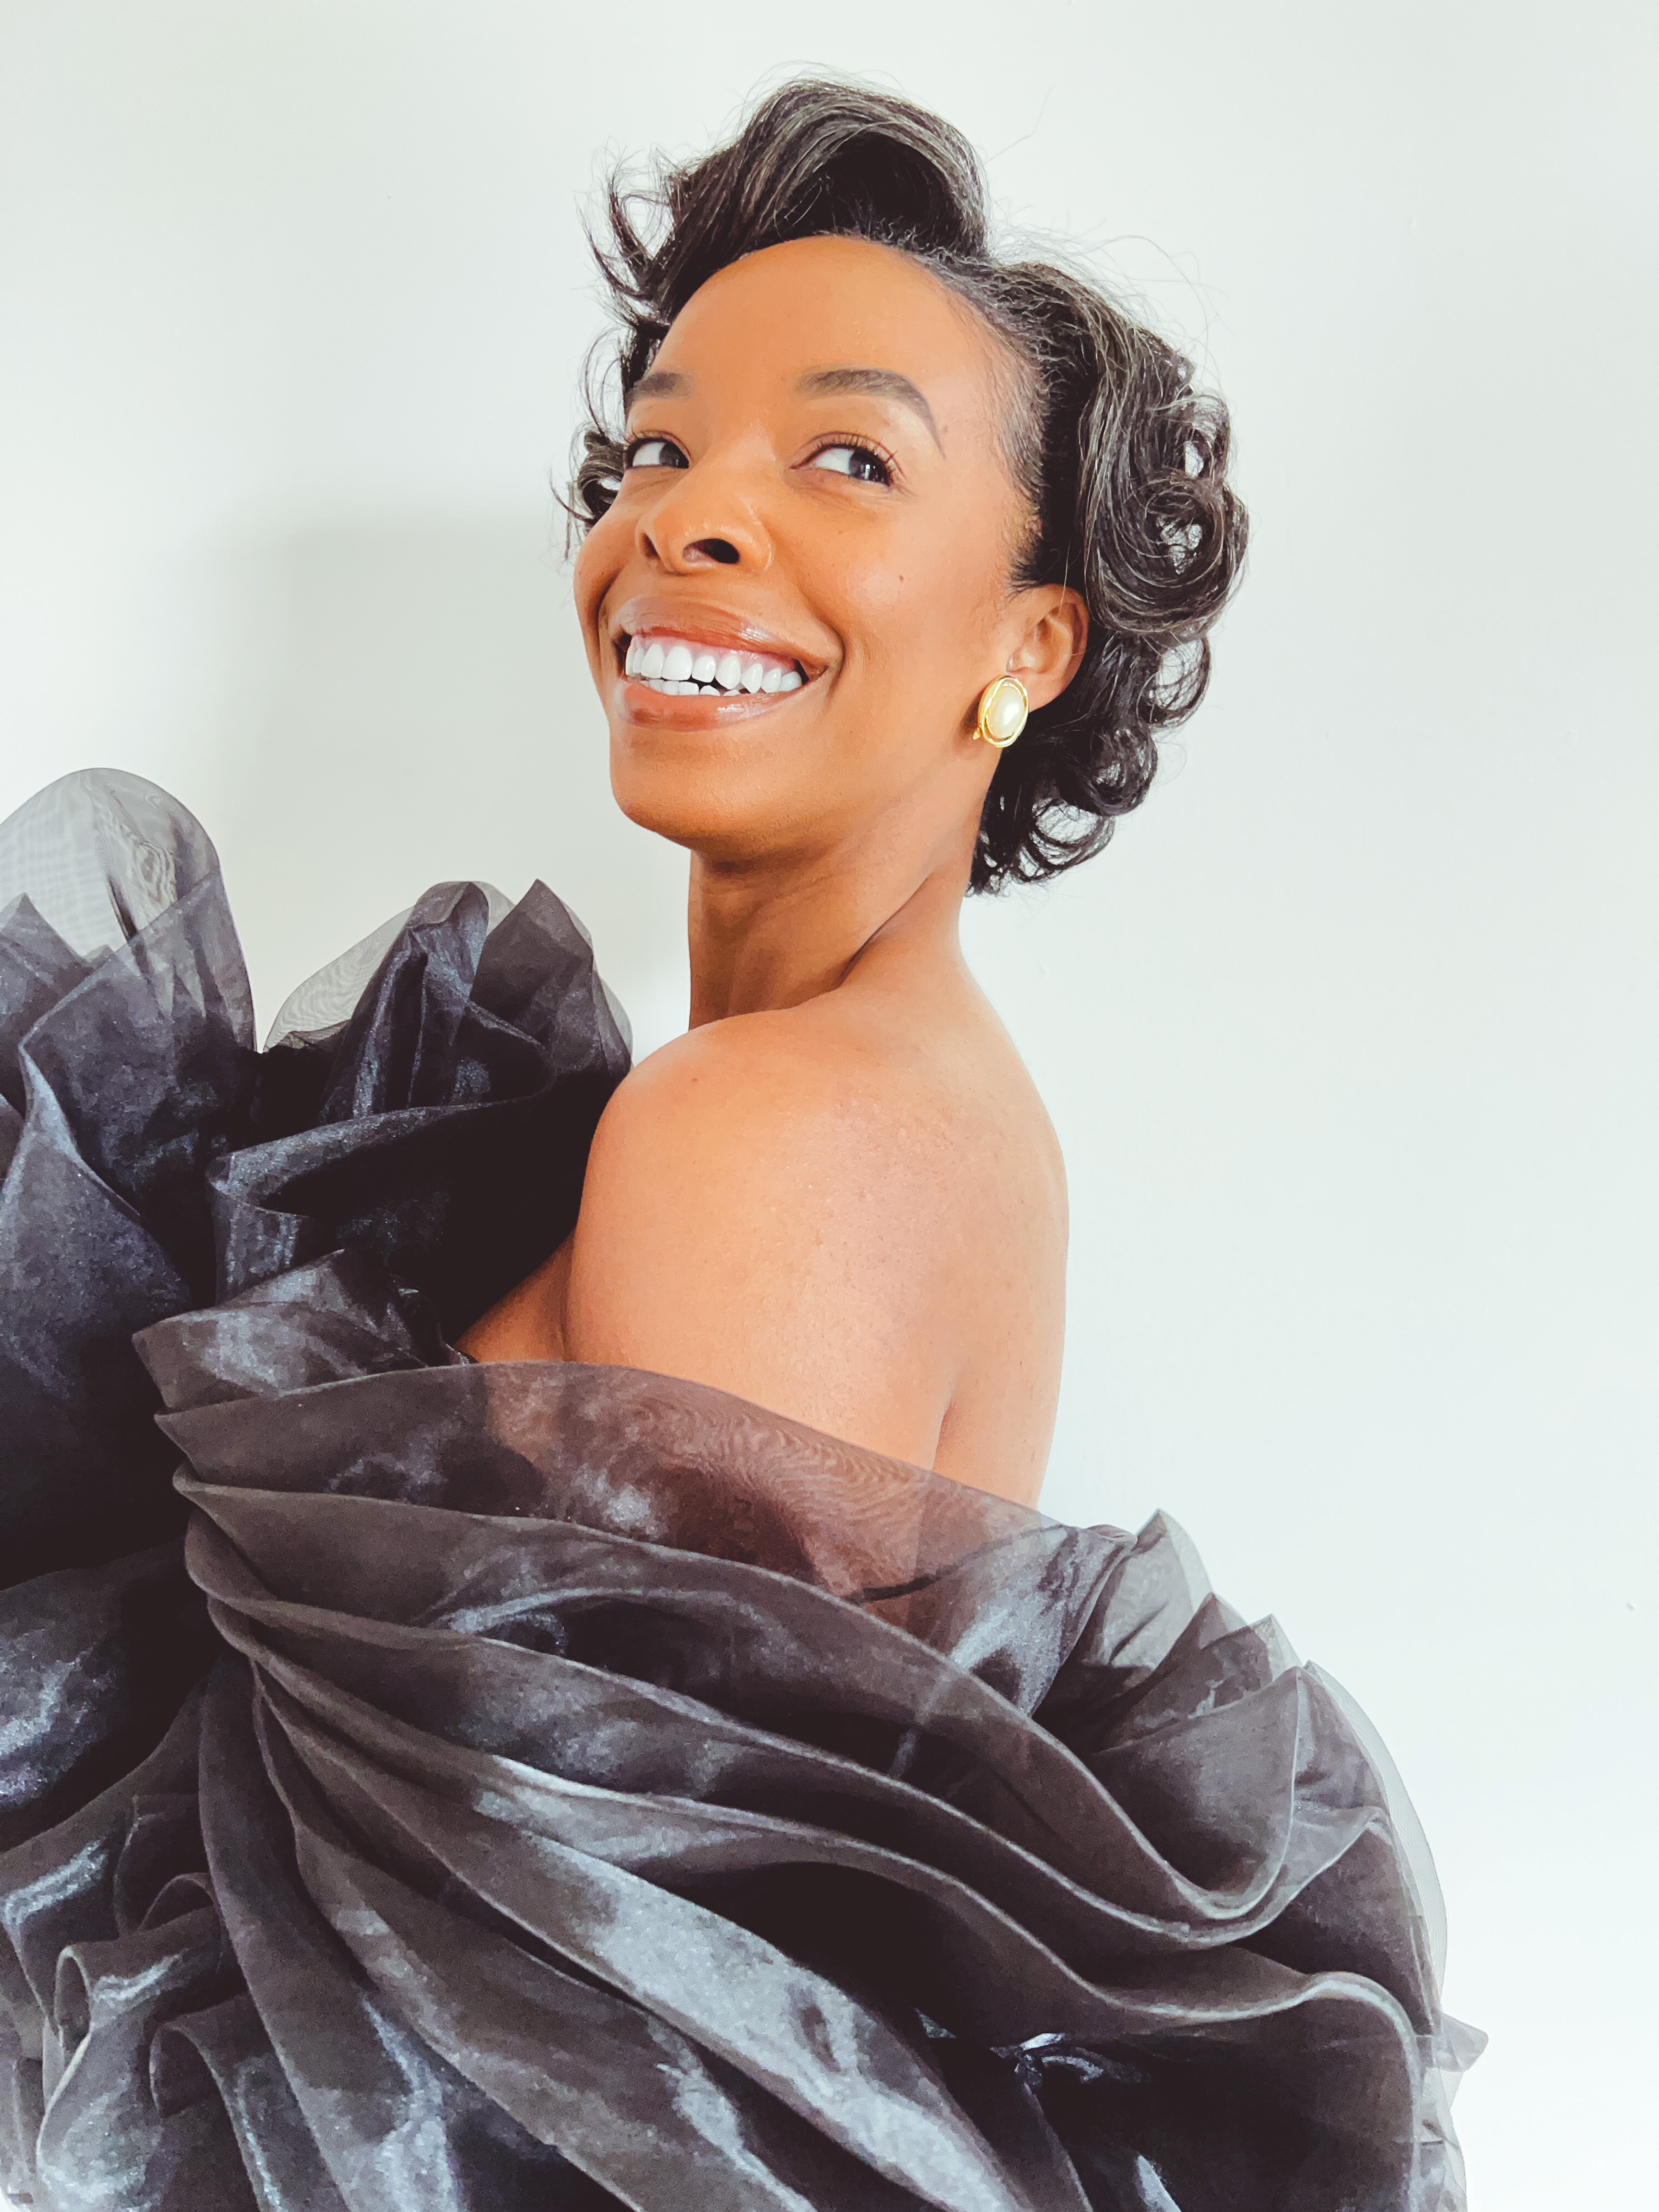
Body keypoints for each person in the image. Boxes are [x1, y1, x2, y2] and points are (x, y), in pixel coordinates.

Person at [0, 81, 1476, 2212]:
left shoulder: (779, 1130)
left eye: (847, 458)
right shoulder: (882, 1098)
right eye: (656, 453)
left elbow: (643, 2078)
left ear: (1031, 643)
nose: (688, 518)